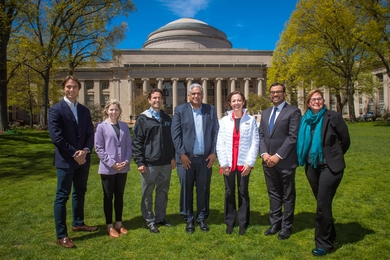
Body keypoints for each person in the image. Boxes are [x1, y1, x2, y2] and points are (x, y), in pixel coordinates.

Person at [296, 89, 350, 256]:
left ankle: (324, 244)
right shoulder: (305, 120)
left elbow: (345, 141)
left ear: (323, 101)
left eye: (319, 99)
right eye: (313, 99)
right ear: (308, 102)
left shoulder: (333, 117)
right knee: (323, 203)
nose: (317, 101)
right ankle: (331, 234)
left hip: (330, 167)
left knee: (322, 205)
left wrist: (334, 156)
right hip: (312, 167)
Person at [48, 75, 97, 248]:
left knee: (80, 191)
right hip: (66, 160)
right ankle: (61, 235)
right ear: (64, 88)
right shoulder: (56, 110)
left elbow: (90, 133)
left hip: (83, 159)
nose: (71, 90)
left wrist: (85, 151)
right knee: (62, 196)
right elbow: (57, 137)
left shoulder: (84, 110)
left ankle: (78, 222)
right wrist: (74, 153)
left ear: (78, 89)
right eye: (68, 87)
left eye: (74, 87)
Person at [171, 83, 219, 233]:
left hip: (205, 159)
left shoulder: (210, 110)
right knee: (186, 189)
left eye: (198, 93)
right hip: (186, 159)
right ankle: (189, 218)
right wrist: (181, 154)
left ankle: (201, 218)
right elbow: (176, 134)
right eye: (193, 94)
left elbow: (216, 133)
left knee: (203, 189)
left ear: (202, 95)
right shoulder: (180, 110)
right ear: (189, 96)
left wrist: (213, 153)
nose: (196, 96)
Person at [259, 82, 301, 240]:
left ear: (284, 93)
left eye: (278, 92)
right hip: (267, 161)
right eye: (272, 92)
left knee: (287, 195)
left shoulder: (293, 112)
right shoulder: (266, 112)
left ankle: (286, 227)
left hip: (285, 161)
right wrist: (264, 154)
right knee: (274, 194)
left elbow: (293, 137)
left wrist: (277, 156)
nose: (275, 94)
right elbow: (261, 135)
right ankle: (275, 223)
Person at [132, 89, 176, 233]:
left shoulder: (166, 118)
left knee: (163, 191)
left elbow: (171, 140)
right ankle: (149, 219)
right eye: (154, 98)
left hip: (165, 163)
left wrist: (172, 157)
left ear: (162, 100)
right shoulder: (143, 119)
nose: (157, 100)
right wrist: (140, 162)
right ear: (149, 100)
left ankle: (160, 217)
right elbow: (137, 142)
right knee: (148, 192)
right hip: (149, 163)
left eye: (159, 98)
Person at [216, 91, 259, 235]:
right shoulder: (224, 121)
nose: (236, 103)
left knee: (243, 192)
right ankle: (229, 221)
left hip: (243, 163)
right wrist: (223, 163)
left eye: (239, 100)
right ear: (230, 103)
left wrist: (250, 163)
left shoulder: (251, 120)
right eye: (233, 101)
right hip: (228, 163)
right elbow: (220, 143)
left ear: (243, 102)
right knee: (229, 192)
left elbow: (255, 142)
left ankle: (243, 222)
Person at [94, 99, 132, 238]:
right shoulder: (101, 127)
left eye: (116, 109)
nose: (113, 112)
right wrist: (112, 163)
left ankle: (119, 223)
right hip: (108, 168)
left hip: (122, 167)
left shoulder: (124, 126)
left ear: (119, 111)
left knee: (119, 196)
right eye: (111, 109)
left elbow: (128, 145)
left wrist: (126, 161)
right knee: (108, 196)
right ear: (106, 111)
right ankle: (109, 225)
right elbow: (99, 148)